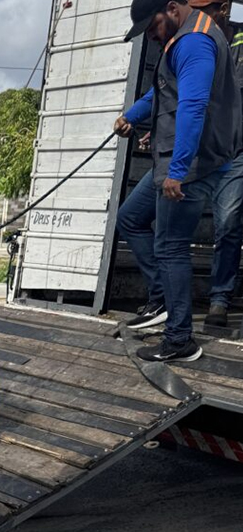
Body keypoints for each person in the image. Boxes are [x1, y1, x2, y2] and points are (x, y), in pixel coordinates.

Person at [114, 0, 242, 361]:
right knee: (131, 218)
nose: (152, 36)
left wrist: (179, 170)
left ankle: (179, 339)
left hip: (190, 165)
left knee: (170, 245)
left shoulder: (195, 42)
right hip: (170, 160)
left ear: (171, 9)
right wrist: (132, 116)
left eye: (153, 27)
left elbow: (193, 105)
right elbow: (163, 90)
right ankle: (163, 299)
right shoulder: (182, 37)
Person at [190, 0, 243, 328]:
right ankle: (162, 298)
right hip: (207, 150)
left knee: (227, 222)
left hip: (237, 152)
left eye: (204, 7)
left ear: (223, 8)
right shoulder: (200, 40)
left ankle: (220, 298)